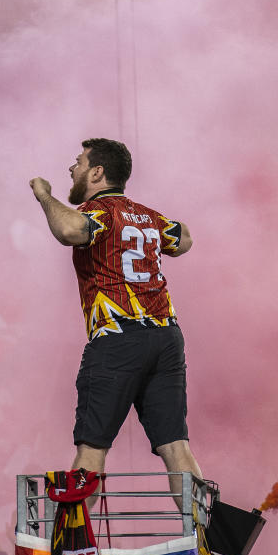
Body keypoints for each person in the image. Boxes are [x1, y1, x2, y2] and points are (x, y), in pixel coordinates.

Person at [29, 138, 203, 506]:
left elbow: (70, 231)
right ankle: (205, 546)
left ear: (97, 172)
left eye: (78, 163)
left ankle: (74, 553)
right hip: (167, 338)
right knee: (177, 448)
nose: (71, 169)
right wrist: (154, 232)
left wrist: (44, 196)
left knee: (91, 452)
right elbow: (185, 238)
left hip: (117, 338)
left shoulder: (99, 212)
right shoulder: (149, 217)